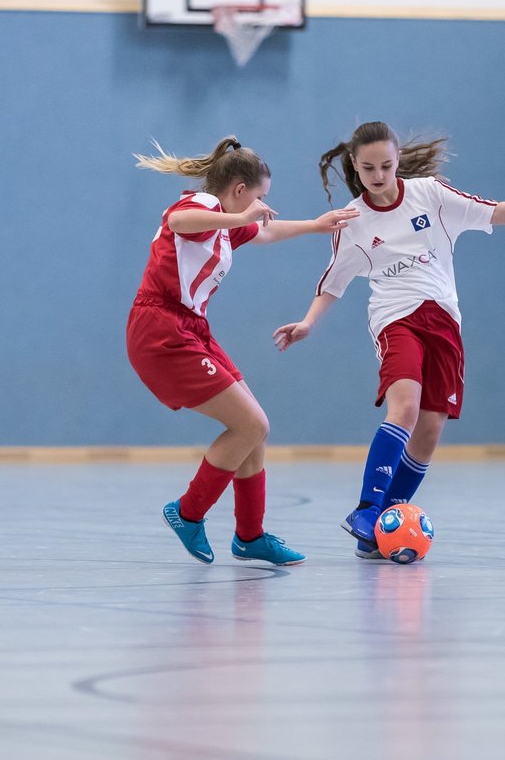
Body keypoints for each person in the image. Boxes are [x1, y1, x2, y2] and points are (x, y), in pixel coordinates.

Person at [273, 121, 505, 559]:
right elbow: (333, 282)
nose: (379, 175)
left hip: (443, 319)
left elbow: (490, 212)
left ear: (398, 160)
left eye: (386, 165)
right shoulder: (351, 221)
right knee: (404, 405)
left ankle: (386, 520)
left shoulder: (431, 194)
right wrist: (309, 322)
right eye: (368, 168)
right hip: (394, 319)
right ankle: (368, 510)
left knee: (430, 426)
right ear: (356, 166)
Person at [127, 137, 358, 565]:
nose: (261, 205)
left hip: (191, 327)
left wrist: (315, 224)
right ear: (238, 190)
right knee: (250, 424)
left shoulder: (224, 221)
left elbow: (265, 230)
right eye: (259, 196)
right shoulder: (200, 205)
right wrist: (242, 215)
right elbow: (179, 223)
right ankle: (187, 512)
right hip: (160, 330)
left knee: (256, 429)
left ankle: (250, 536)